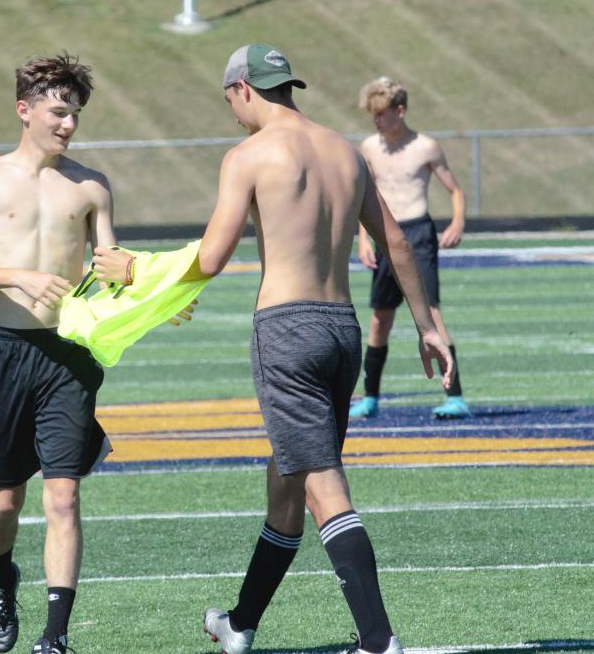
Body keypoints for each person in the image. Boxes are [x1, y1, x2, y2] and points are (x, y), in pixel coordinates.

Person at [93, 44, 454, 654]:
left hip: (287, 331)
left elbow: (210, 257)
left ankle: (378, 640)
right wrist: (428, 325)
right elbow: (394, 240)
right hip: (342, 328)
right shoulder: (346, 150)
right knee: (287, 482)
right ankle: (240, 624)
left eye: (228, 98)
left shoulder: (248, 156)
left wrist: (133, 270)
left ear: (242, 89)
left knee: (320, 483)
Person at [0, 53, 114, 654]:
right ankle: (0, 574)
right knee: (4, 499)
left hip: (68, 355)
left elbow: (110, 270)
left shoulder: (92, 185)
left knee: (63, 495)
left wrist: (146, 288)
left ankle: (55, 637)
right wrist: (18, 275)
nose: (68, 124)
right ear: (25, 109)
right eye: (58, 111)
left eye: (75, 114)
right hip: (3, 352)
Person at [349, 77, 471, 420]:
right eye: (373, 115)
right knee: (379, 319)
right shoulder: (369, 148)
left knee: (431, 313)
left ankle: (455, 396)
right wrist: (363, 240)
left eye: (382, 114)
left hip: (417, 234)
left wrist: (457, 222)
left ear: (400, 111)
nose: (376, 120)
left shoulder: (426, 147)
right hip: (384, 234)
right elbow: (363, 196)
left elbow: (455, 190)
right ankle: (370, 397)